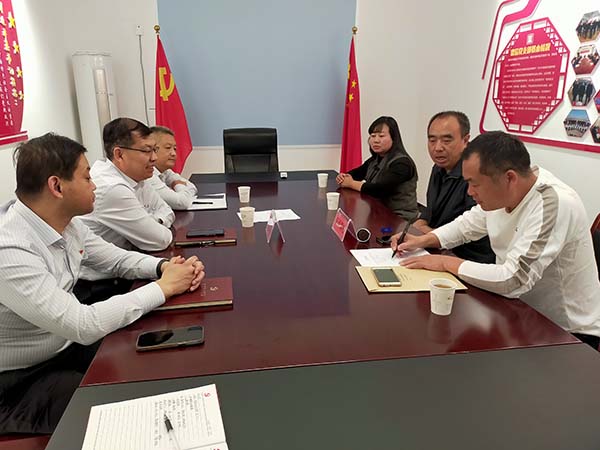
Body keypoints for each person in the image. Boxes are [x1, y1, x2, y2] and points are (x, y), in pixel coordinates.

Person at [0, 133, 205, 434]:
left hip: (63, 347)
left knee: (148, 362)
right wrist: (164, 287)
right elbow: (82, 324)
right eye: (87, 177)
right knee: (122, 414)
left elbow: (116, 259)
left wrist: (164, 268)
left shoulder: (66, 224)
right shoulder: (10, 250)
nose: (95, 185)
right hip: (18, 382)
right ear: (57, 186)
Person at [392, 131, 600, 348]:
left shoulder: (553, 204)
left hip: (566, 333)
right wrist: (423, 240)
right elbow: (467, 225)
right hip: (518, 312)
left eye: (474, 184)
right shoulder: (505, 192)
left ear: (509, 178)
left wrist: (445, 262)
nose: (469, 192)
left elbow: (513, 280)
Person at [81, 118, 174, 255]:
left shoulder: (137, 176)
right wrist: (152, 226)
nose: (154, 157)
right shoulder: (111, 187)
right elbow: (160, 240)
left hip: (127, 258)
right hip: (103, 266)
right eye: (147, 150)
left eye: (155, 149)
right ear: (119, 154)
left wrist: (155, 222)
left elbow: (166, 211)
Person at [414, 111, 495, 263]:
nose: (438, 148)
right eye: (432, 140)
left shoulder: (477, 174)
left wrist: (428, 233)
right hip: (438, 247)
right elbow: (431, 211)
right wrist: (418, 225)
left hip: (467, 258)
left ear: (466, 140)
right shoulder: (438, 168)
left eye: (446, 140)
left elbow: (473, 230)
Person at [336, 116, 418, 219]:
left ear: (394, 138)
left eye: (381, 136)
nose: (376, 140)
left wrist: (351, 183)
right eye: (373, 136)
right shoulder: (375, 159)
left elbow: (379, 189)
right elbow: (357, 173)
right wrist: (344, 177)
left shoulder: (402, 163)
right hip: (378, 213)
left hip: (400, 218)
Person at [147, 126, 197, 210]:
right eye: (168, 148)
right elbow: (182, 203)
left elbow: (192, 187)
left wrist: (179, 187)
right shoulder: (148, 175)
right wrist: (179, 185)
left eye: (175, 148)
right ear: (153, 149)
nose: (174, 153)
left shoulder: (165, 172)